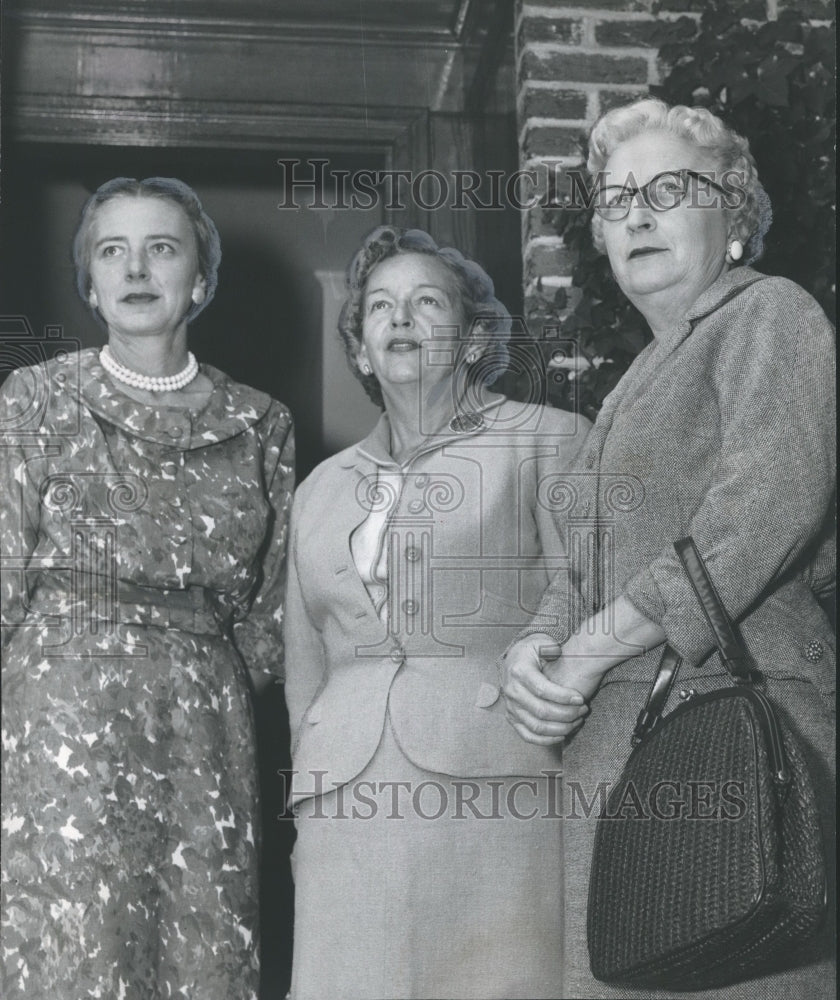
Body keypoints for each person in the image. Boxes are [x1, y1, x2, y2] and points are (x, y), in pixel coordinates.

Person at [503, 98, 836, 998]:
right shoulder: (632, 384)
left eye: (669, 189)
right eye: (616, 200)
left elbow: (766, 507)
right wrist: (535, 653)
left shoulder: (770, 316)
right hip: (616, 756)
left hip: (738, 735)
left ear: (734, 216)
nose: (637, 214)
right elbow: (577, 565)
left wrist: (588, 651)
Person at [0, 177, 294, 998]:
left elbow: (273, 612)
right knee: (67, 952)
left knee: (198, 953)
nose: (136, 268)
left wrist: (211, 682)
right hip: (56, 724)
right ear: (90, 286)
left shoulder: (261, 422)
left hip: (204, 727)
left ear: (198, 280)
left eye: (161, 248)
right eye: (111, 251)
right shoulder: (36, 399)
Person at [283, 225, 590, 999]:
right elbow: (303, 664)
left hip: (493, 784)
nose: (402, 319)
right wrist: (302, 799)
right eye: (380, 308)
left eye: (427, 302)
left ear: (475, 336)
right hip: (343, 803)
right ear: (358, 350)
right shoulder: (319, 489)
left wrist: (544, 651)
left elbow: (587, 583)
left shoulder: (545, 441)